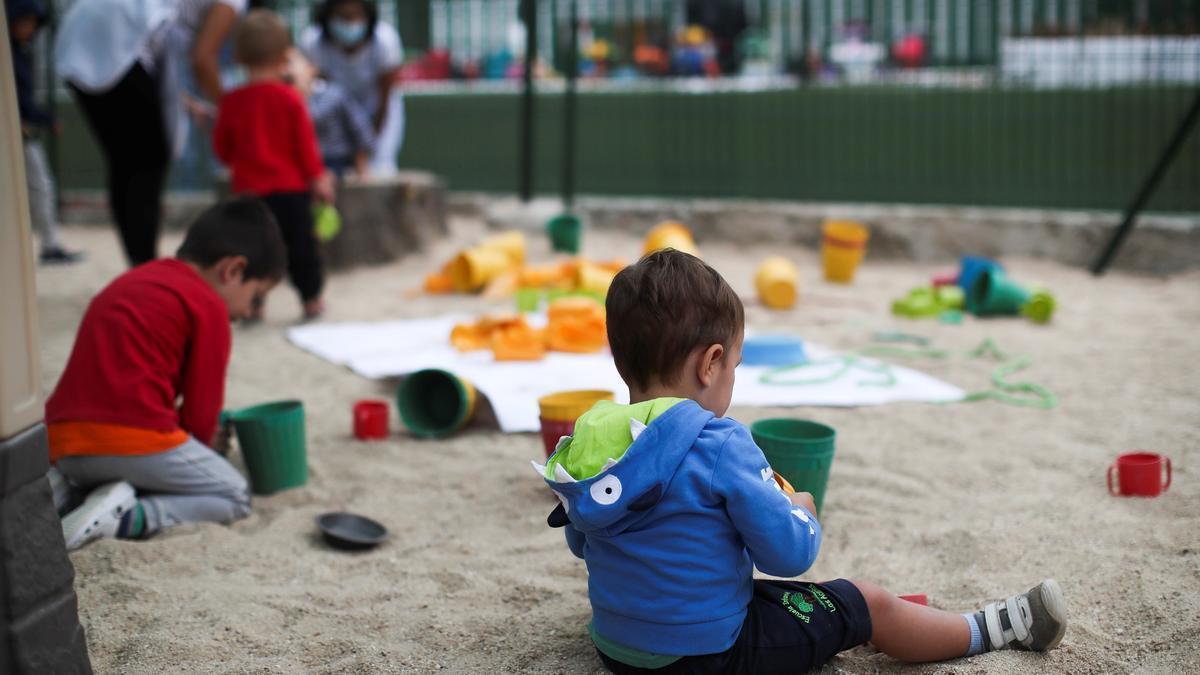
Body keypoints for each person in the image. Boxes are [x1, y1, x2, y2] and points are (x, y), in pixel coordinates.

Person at [534, 249, 1068, 673]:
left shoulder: (591, 438)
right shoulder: (720, 442)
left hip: (618, 651)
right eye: (735, 364)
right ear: (711, 363)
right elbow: (790, 556)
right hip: (710, 657)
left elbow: (583, 540)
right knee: (866, 602)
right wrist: (800, 508)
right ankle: (989, 630)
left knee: (774, 597)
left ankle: (879, 618)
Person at [47, 197, 286, 550]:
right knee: (233, 493)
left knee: (124, 457)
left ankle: (71, 493)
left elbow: (119, 383)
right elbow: (201, 416)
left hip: (61, 442)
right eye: (257, 297)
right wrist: (206, 446)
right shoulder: (208, 306)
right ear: (233, 271)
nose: (251, 311)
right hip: (129, 438)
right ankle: (130, 517)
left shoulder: (137, 279)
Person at [54, 0, 245, 266]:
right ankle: (145, 266)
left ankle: (139, 264)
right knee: (148, 160)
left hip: (81, 35)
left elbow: (159, 71)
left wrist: (186, 103)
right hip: (116, 39)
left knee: (126, 163)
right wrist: (236, 114)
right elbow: (202, 59)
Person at [214, 11, 334, 320]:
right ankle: (311, 299)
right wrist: (317, 178)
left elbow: (223, 149)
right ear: (285, 56)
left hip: (248, 194)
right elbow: (305, 147)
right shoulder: (290, 99)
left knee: (252, 252)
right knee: (301, 249)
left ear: (239, 56)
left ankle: (253, 303)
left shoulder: (232, 101)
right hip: (290, 192)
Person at [7, 0, 83, 264]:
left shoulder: (19, 53)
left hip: (23, 131)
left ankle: (50, 243)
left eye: (32, 22)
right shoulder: (10, 56)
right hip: (16, 131)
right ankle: (48, 244)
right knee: (39, 186)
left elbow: (23, 100)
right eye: (25, 21)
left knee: (39, 187)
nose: (30, 28)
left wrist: (43, 118)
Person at [302, 0, 404, 175]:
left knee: (379, 170)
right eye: (342, 17)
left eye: (354, 16)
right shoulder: (313, 42)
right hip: (334, 117)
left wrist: (367, 145)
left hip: (377, 111)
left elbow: (384, 99)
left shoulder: (385, 40)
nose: (349, 23)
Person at [285, 47, 374, 177]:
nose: (286, 70)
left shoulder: (334, 95)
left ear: (311, 68)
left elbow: (360, 128)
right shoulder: (283, 101)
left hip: (335, 163)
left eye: (290, 63)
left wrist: (361, 166)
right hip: (300, 166)